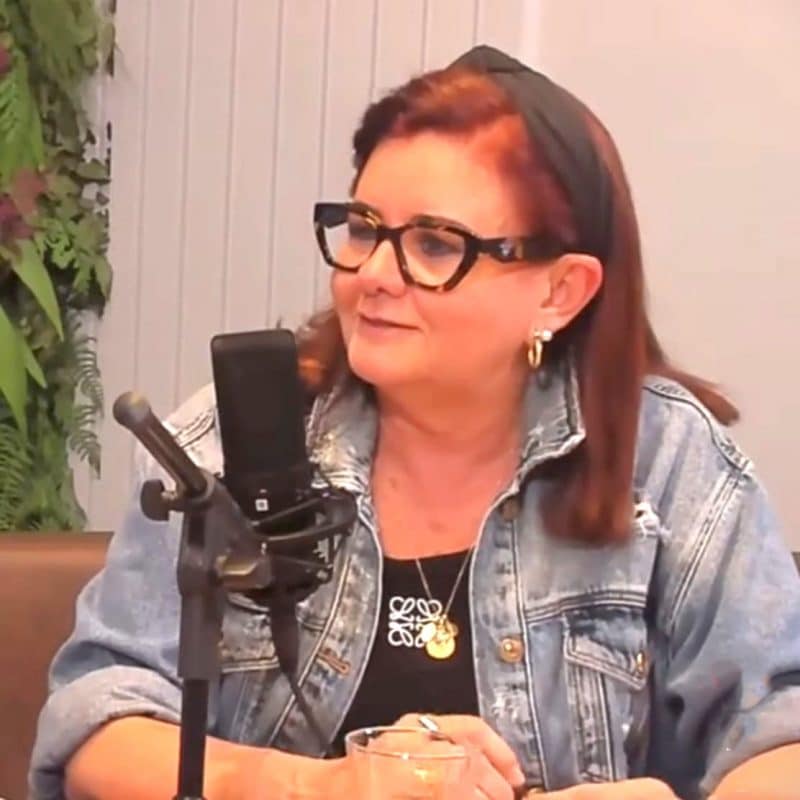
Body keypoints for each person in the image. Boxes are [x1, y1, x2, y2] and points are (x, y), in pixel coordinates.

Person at [29, 44, 800, 800]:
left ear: (560, 291)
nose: (373, 274)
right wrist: (325, 789)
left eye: (435, 245)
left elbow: (782, 736)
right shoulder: (226, 444)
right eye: (364, 229)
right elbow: (98, 725)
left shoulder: (668, 462)